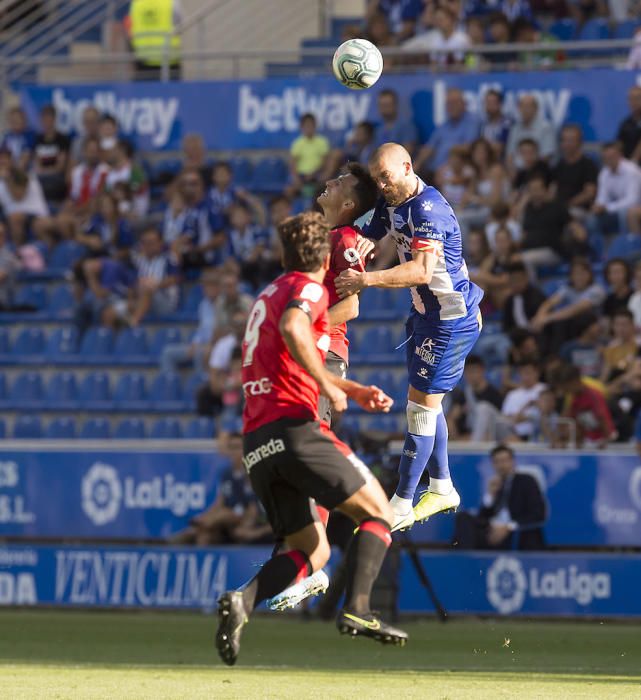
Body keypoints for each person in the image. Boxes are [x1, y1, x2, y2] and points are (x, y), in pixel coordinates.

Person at [215, 212, 407, 666]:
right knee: (379, 511)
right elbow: (295, 329)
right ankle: (358, 610)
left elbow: (285, 340)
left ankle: (242, 602)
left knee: (313, 549)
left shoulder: (268, 292)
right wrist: (328, 384)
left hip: (257, 443)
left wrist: (351, 389)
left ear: (283, 254)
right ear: (325, 258)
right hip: (296, 429)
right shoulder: (309, 288)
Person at [335, 143, 484, 532]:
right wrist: (365, 238)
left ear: (407, 167)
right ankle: (442, 485)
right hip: (424, 316)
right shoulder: (395, 199)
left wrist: (366, 278)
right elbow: (380, 224)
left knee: (419, 407)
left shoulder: (428, 209)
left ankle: (401, 501)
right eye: (378, 179)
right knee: (426, 404)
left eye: (387, 176)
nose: (383, 185)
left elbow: (420, 271)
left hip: (450, 320)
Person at [266, 162, 379, 612]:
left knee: (309, 459)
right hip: (308, 356)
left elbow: (350, 305)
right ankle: (301, 559)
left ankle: (310, 565)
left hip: (324, 355)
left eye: (339, 183)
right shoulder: (329, 239)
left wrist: (304, 329)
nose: (328, 184)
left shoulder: (346, 239)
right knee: (292, 461)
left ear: (349, 203)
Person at [453, 444, 547, 550]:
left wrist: (508, 527)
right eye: (497, 462)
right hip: (492, 529)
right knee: (463, 518)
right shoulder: (496, 483)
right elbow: (483, 517)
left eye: (504, 460)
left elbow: (538, 514)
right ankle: (466, 560)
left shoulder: (526, 481)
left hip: (515, 531)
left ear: (512, 461)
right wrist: (490, 495)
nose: (501, 465)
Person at [160, 269, 219, 374]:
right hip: (200, 345)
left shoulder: (223, 305)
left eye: (211, 286)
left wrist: (209, 344)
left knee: (199, 354)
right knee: (168, 353)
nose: (208, 290)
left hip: (215, 347)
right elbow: (201, 329)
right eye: (205, 287)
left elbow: (221, 330)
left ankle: (200, 384)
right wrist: (195, 343)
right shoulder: (203, 305)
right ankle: (171, 385)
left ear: (218, 288)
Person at [414, 88, 481, 175]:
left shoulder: (472, 121)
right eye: (448, 104)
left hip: (455, 170)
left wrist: (449, 159)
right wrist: (417, 164)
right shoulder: (444, 125)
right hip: (434, 171)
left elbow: (470, 147)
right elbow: (429, 147)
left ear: (464, 104)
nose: (451, 106)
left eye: (455, 103)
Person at [590, 141, 641, 237]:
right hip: (616, 208)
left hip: (636, 207)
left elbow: (633, 200)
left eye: (612, 156)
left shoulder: (632, 171)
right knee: (592, 219)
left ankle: (628, 246)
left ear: (620, 155)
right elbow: (602, 197)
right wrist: (598, 206)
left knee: (625, 213)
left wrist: (607, 208)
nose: (609, 160)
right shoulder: (604, 173)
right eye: (606, 158)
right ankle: (598, 249)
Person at [447, 355, 503, 441]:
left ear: (482, 371)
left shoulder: (494, 394)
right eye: (467, 372)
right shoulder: (463, 394)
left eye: (473, 371)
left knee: (483, 408)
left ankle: (475, 443)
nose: (470, 375)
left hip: (490, 435)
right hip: (468, 434)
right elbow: (453, 416)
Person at [559, 364, 616, 448]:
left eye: (567, 387)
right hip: (590, 442)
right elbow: (578, 423)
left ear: (575, 382)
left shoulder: (593, 395)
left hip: (606, 440)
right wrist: (579, 441)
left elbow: (602, 418)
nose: (567, 391)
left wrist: (607, 440)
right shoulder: (574, 399)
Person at [127, 0, 182, 80]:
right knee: (170, 91)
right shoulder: (172, 2)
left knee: (144, 91)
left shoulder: (136, 3)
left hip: (143, 57)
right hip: (168, 57)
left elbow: (130, 27)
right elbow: (180, 24)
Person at [550, 124, 598, 215]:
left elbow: (589, 193)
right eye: (565, 140)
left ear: (580, 142)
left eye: (571, 140)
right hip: (559, 208)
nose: (567, 144)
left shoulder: (588, 165)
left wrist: (568, 204)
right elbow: (553, 188)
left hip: (579, 209)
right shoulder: (559, 165)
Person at [506, 94, 556, 170]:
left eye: (528, 107)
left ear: (536, 109)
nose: (525, 110)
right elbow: (510, 155)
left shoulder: (545, 128)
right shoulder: (515, 128)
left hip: (539, 172)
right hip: (517, 172)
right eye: (522, 106)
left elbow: (546, 157)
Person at [500, 360, 547, 441]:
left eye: (528, 373)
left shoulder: (544, 389)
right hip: (512, 434)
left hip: (537, 434)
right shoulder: (512, 394)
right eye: (523, 373)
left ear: (537, 373)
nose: (526, 377)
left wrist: (524, 418)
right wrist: (521, 418)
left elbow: (545, 412)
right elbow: (505, 417)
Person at [287, 113, 330, 198]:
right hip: (301, 175)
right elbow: (293, 163)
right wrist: (296, 177)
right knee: (289, 190)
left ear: (315, 126)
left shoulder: (322, 141)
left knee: (323, 187)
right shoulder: (298, 143)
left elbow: (324, 162)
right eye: (306, 125)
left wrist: (313, 174)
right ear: (302, 127)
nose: (309, 128)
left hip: (317, 174)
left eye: (311, 125)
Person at [33, 104, 70, 203]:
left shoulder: (62, 139)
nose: (47, 123)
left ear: (54, 120)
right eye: (44, 119)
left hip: (56, 177)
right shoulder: (38, 139)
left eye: (49, 119)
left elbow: (60, 166)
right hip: (41, 176)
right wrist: (41, 171)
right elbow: (37, 162)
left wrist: (45, 171)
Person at [501, 261, 547, 335]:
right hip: (517, 338)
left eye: (518, 280)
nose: (515, 284)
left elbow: (540, 325)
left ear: (526, 278)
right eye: (513, 281)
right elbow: (506, 326)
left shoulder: (536, 296)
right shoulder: (509, 300)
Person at [373, 89, 418, 153]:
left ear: (395, 105)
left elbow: (407, 152)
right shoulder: (378, 128)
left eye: (387, 105)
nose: (384, 109)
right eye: (381, 105)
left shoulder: (406, 126)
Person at [1, 106, 36, 171]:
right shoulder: (7, 137)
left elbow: (25, 159)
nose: (14, 122)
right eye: (12, 119)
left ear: (24, 120)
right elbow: (3, 157)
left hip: (25, 173)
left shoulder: (30, 135)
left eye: (17, 119)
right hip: (8, 172)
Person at [480, 89, 512, 155]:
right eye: (487, 103)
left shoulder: (507, 122)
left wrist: (485, 146)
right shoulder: (483, 123)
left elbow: (500, 147)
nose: (489, 106)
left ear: (500, 104)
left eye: (492, 103)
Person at [616, 85, 641, 165]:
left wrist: (633, 162)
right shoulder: (625, 123)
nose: (633, 102)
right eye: (630, 99)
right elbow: (619, 144)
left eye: (637, 98)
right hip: (628, 166)